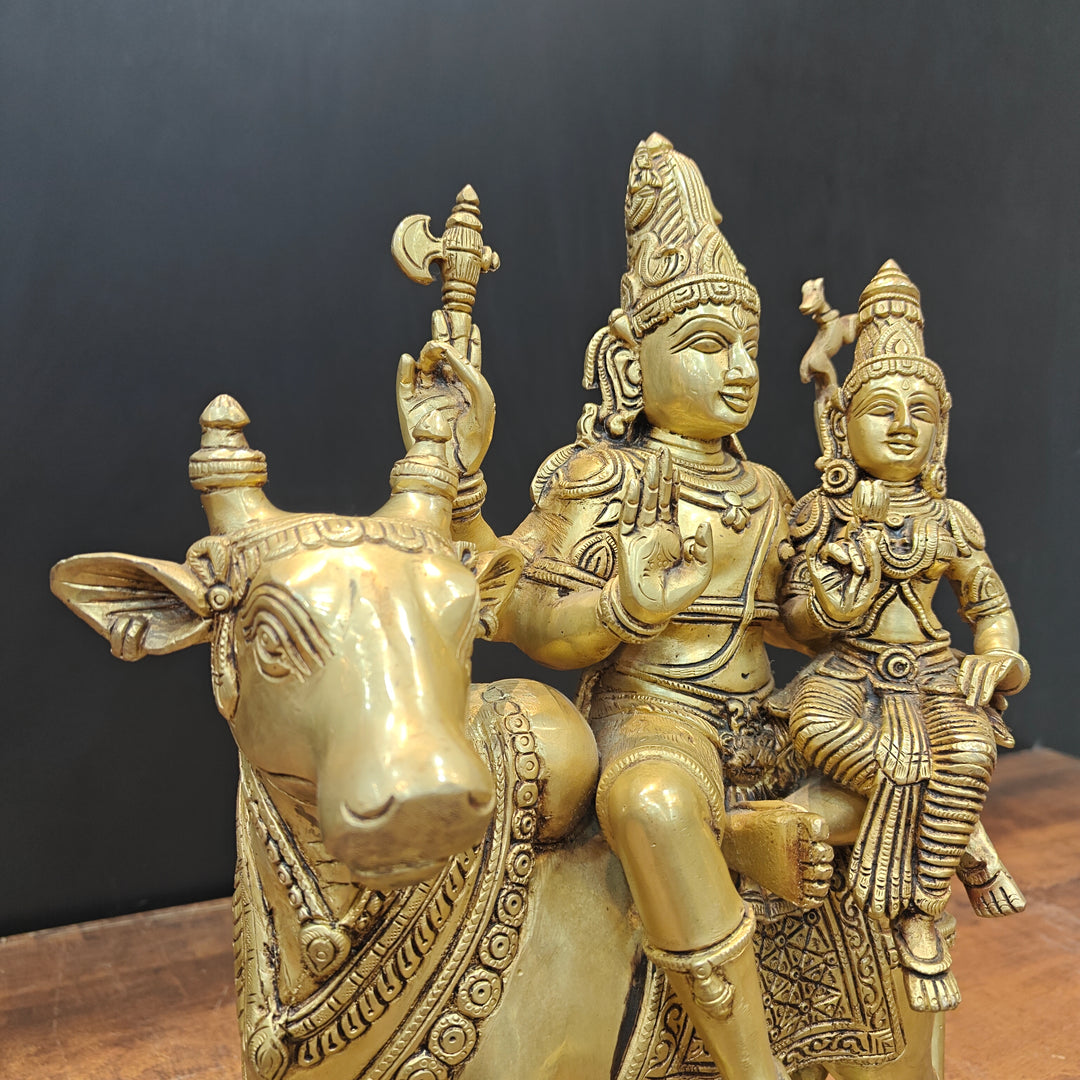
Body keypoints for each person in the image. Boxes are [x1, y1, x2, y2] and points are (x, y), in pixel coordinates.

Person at [400, 133, 829, 1080]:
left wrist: (857, 596)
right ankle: (753, 1064)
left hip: (768, 719)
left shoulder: (768, 491)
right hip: (655, 718)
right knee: (647, 801)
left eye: (750, 347)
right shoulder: (606, 478)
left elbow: (795, 620)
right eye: (708, 345)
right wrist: (620, 607)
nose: (740, 368)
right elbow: (520, 608)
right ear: (632, 366)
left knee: (898, 757)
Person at [781, 260, 1029, 1013]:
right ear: (842, 423)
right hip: (847, 676)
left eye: (920, 412)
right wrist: (834, 595)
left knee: (972, 750)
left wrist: (998, 659)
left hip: (933, 675)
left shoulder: (950, 521)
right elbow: (796, 620)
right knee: (822, 732)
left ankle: (918, 912)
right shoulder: (822, 515)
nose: (901, 426)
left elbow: (990, 609)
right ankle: (965, 840)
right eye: (881, 409)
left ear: (941, 429)